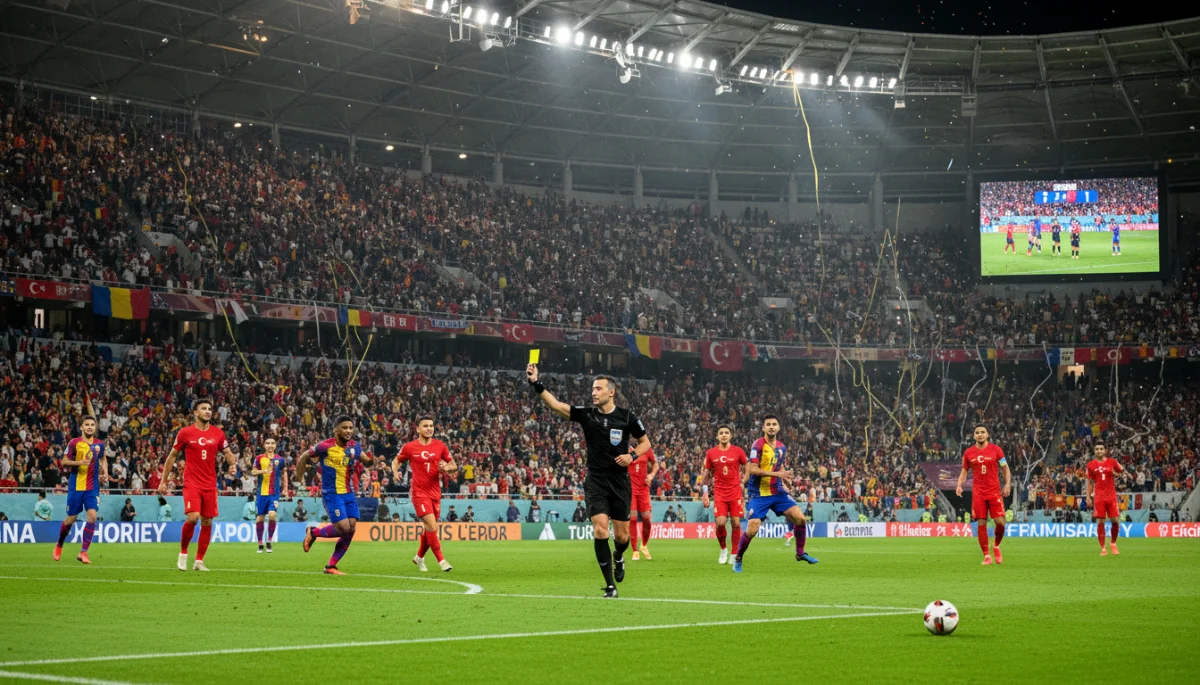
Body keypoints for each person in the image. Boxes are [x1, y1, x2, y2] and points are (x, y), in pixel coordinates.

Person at [528, 365, 650, 598]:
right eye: (593, 389)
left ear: (611, 392)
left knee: (622, 537)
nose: (593, 393)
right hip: (596, 481)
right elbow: (556, 405)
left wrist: (632, 456)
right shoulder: (588, 415)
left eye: (598, 389)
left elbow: (646, 443)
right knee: (600, 528)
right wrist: (536, 383)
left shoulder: (627, 417)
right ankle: (610, 586)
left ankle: (619, 556)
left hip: (620, 482)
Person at [159, 398, 238, 572]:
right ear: (196, 412)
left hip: (210, 484)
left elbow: (227, 452)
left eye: (209, 408)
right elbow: (172, 456)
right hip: (192, 483)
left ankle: (199, 561)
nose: (208, 411)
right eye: (204, 408)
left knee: (207, 521)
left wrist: (232, 464)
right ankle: (183, 553)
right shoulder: (185, 433)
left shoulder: (218, 433)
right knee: (193, 517)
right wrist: (163, 481)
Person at [733, 415, 817, 573]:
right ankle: (738, 558)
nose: (771, 427)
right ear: (763, 428)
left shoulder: (781, 447)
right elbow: (753, 469)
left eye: (774, 424)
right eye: (768, 424)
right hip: (758, 494)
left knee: (800, 518)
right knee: (753, 528)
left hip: (777, 492)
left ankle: (800, 553)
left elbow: (779, 466)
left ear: (778, 427)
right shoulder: (757, 445)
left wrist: (786, 480)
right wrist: (778, 475)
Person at [298, 416, 373, 575]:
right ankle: (313, 532)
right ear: (336, 430)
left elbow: (366, 460)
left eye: (351, 428)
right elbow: (304, 456)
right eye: (345, 428)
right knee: (344, 527)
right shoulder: (325, 446)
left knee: (351, 529)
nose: (349, 431)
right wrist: (299, 477)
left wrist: (374, 462)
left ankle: (331, 566)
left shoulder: (354, 446)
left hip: (348, 493)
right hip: (331, 493)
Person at [395, 417, 457, 572]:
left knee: (430, 528)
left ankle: (419, 557)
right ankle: (442, 561)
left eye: (431, 426)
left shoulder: (440, 446)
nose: (429, 428)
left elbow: (454, 466)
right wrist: (395, 472)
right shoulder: (410, 447)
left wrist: (446, 468)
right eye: (425, 426)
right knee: (432, 526)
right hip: (419, 492)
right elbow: (396, 461)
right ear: (417, 429)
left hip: (435, 492)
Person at [54, 417, 109, 564]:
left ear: (95, 428)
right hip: (76, 486)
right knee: (70, 519)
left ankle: (83, 552)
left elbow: (103, 459)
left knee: (92, 516)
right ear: (81, 427)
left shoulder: (99, 444)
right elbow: (64, 461)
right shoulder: (74, 442)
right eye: (87, 425)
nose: (90, 427)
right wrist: (79, 462)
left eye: (92, 425)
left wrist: (105, 472)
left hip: (92, 487)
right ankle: (59, 543)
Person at [956, 424, 1012, 566]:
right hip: (979, 493)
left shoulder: (996, 450)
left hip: (994, 491)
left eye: (982, 432)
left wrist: (1007, 484)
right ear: (974, 436)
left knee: (1000, 522)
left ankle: (996, 545)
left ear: (987, 435)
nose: (980, 434)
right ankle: (987, 556)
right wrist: (959, 484)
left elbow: (1005, 468)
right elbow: (964, 471)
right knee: (981, 523)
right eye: (977, 432)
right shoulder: (968, 453)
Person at [702, 425, 748, 565]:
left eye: (726, 432)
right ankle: (723, 549)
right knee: (721, 523)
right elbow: (706, 475)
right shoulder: (711, 453)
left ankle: (734, 553)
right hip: (720, 494)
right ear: (717, 436)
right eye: (721, 433)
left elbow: (748, 467)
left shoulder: (738, 451)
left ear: (730, 435)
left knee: (736, 523)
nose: (724, 435)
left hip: (735, 493)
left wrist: (743, 482)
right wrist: (705, 493)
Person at [1085, 442, 1124, 556]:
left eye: (1101, 449)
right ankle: (1103, 548)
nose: (1099, 451)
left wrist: (1115, 472)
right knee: (1100, 521)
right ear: (1094, 451)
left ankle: (1113, 543)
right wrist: (1088, 496)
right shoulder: (1090, 465)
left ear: (1105, 450)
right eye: (1097, 449)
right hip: (1099, 497)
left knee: (1115, 520)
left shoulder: (1112, 462)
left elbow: (1122, 472)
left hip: (1111, 496)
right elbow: (1090, 483)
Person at [250, 438, 287, 553]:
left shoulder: (280, 460)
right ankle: (260, 544)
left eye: (272, 443)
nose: (270, 445)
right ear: (264, 445)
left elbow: (285, 472)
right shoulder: (259, 458)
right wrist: (263, 471)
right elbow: (253, 472)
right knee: (260, 518)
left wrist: (285, 489)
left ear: (275, 445)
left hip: (274, 494)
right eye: (267, 443)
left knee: (272, 515)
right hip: (261, 494)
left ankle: (269, 541)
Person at [627, 439, 658, 560]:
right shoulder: (625, 450)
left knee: (647, 519)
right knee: (633, 519)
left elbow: (655, 464)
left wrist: (651, 475)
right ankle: (635, 550)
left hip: (643, 489)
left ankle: (644, 546)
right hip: (631, 490)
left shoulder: (646, 449)